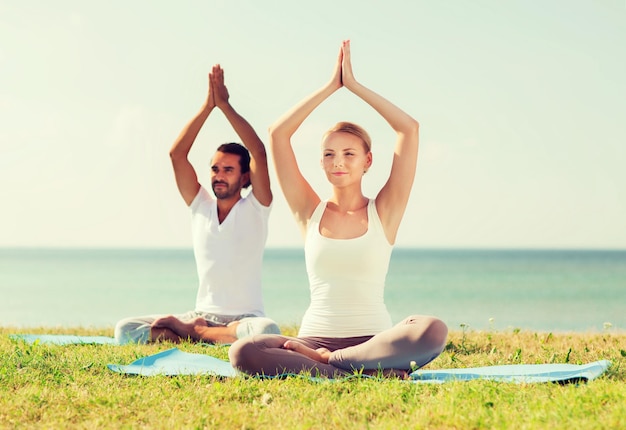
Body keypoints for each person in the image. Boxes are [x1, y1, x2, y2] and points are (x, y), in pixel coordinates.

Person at [228, 41, 448, 377]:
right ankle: (366, 374)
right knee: (243, 350)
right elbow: (277, 134)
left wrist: (355, 86)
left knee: (432, 328)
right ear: (321, 162)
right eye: (329, 154)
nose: (338, 162)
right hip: (313, 338)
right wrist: (331, 86)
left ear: (367, 161)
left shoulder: (385, 211)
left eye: (349, 154)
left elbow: (409, 129)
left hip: (372, 342)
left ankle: (334, 366)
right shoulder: (309, 211)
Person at [114, 64, 280, 344]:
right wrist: (207, 107)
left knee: (267, 332)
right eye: (215, 169)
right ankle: (202, 331)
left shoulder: (257, 207)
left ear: (245, 176)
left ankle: (194, 334)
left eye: (228, 170)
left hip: (245, 320)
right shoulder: (200, 206)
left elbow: (259, 152)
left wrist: (225, 106)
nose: (219, 176)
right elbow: (177, 154)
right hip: (201, 313)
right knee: (125, 329)